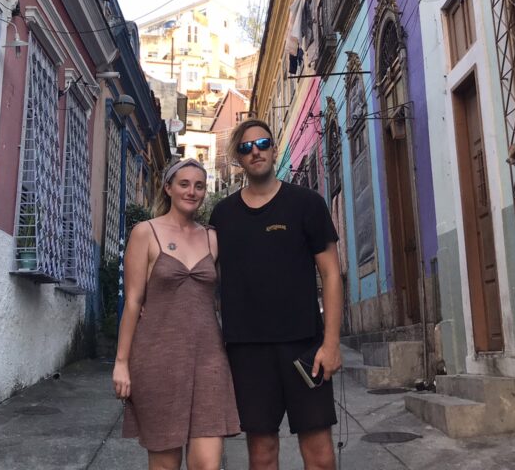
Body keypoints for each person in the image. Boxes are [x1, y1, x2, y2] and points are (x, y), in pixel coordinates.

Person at [210, 119, 343, 470]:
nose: (255, 151)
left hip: (304, 346)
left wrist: (330, 344)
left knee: (320, 455)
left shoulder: (306, 203)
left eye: (263, 143)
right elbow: (204, 276)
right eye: (245, 147)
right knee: (262, 453)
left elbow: (330, 273)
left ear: (274, 149)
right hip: (248, 351)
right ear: (238, 158)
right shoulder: (222, 215)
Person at [114, 158, 240, 470]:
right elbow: (132, 302)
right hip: (157, 360)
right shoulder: (145, 233)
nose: (192, 191)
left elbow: (231, 293)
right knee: (164, 465)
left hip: (208, 359)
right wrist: (121, 363)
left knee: (208, 465)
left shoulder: (213, 237)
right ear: (168, 188)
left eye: (199, 186)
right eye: (184, 184)